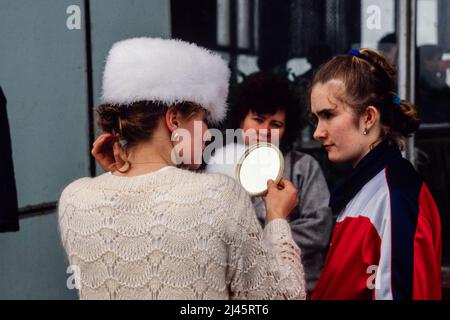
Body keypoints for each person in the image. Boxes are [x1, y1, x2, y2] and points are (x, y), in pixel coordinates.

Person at [58, 37, 306, 300]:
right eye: (202, 120)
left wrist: (121, 173)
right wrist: (277, 217)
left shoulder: (73, 199)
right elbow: (282, 297)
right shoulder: (219, 196)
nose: (209, 135)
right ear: (174, 119)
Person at [309, 48, 442, 300]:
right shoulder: (367, 187)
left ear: (368, 117)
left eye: (328, 115)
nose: (317, 132)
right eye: (316, 118)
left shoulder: (395, 198)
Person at [205, 73, 333, 294]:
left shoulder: (303, 167)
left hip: (298, 289)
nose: (264, 130)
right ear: (240, 120)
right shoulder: (220, 166)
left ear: (287, 129)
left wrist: (255, 240)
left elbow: (319, 229)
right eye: (257, 119)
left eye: (275, 124)